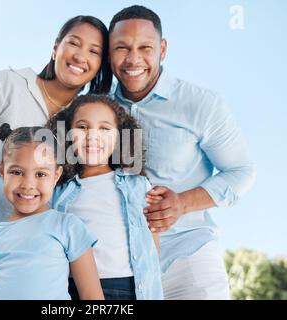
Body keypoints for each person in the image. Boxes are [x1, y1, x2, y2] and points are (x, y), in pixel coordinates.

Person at [0, 15, 112, 300]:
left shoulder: (83, 120)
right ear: (55, 48)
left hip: (36, 247)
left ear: (101, 64)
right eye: (73, 43)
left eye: (94, 51)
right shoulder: (6, 85)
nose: (80, 55)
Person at [108, 5, 256, 299]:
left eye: (145, 47)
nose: (133, 59)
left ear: (162, 49)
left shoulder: (203, 104)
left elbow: (241, 171)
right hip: (116, 262)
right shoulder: (96, 109)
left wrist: (182, 204)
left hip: (187, 254)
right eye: (121, 48)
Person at [0, 124, 103, 300]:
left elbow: (93, 298)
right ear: (1, 171)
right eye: (16, 172)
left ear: (56, 175)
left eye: (41, 174)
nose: (28, 185)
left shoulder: (67, 226)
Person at [47, 94, 163, 300]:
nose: (92, 136)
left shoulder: (137, 185)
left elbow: (151, 244)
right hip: (69, 288)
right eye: (82, 127)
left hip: (128, 287)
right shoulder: (56, 190)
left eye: (104, 128)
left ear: (120, 137)